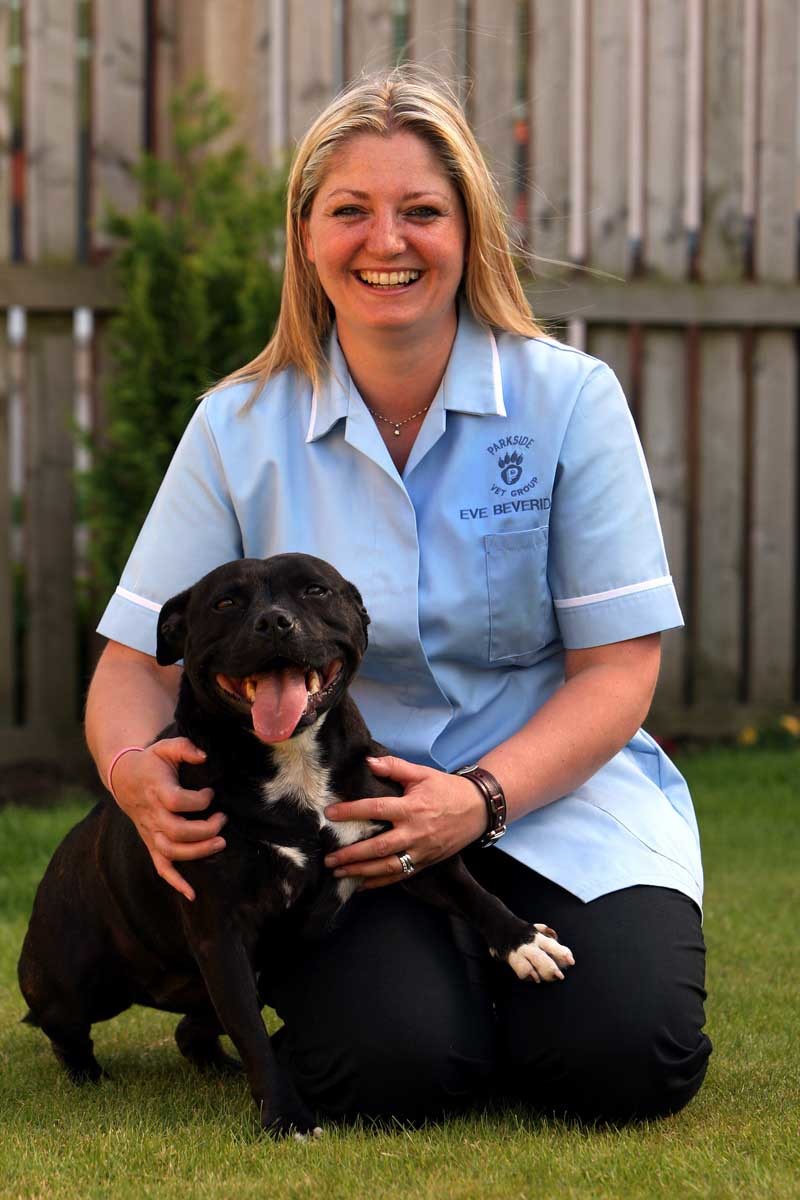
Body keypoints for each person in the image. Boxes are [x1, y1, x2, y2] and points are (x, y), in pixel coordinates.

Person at [86, 66, 712, 1125]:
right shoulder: (236, 428)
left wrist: (478, 798)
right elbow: (130, 667)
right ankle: (435, 1000)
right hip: (345, 830)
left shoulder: (567, 402)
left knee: (626, 1059)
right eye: (350, 211)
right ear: (305, 237)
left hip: (553, 795)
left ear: (469, 232)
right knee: (395, 1073)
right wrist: (134, 772)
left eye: (421, 211)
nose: (387, 241)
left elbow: (619, 671)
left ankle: (513, 994)